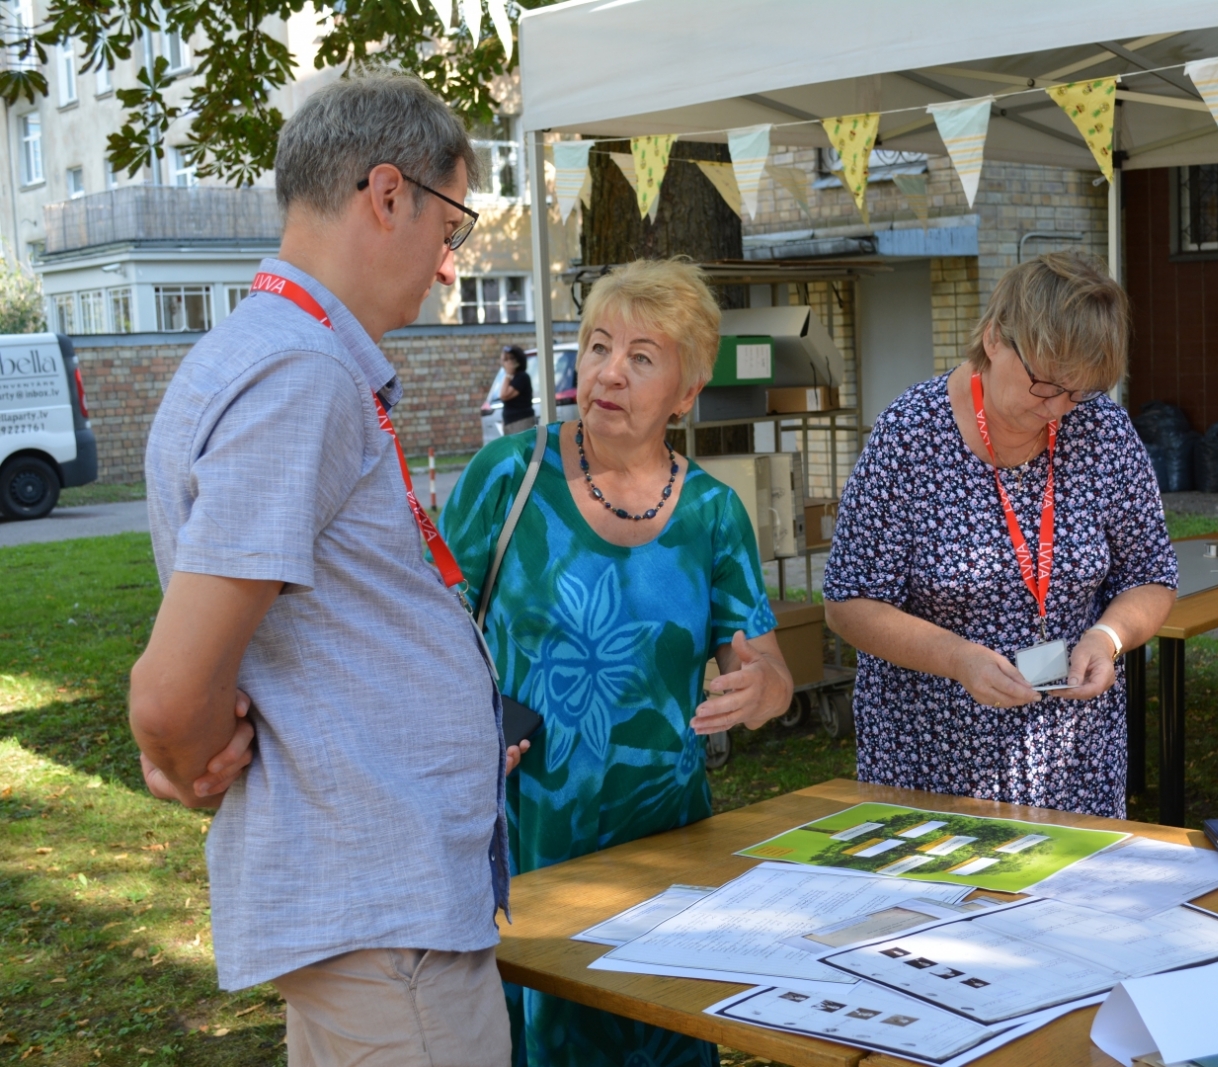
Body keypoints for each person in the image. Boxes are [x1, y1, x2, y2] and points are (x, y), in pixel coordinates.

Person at [129, 72, 528, 1066]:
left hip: (380, 907)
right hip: (382, 916)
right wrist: (182, 756)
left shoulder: (276, 355)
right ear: (386, 194)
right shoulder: (302, 375)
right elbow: (172, 689)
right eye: (452, 223)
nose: (448, 264)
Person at [440, 258, 795, 1067]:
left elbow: (766, 665)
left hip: (664, 843)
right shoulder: (509, 476)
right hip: (525, 828)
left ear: (686, 389)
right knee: (533, 1040)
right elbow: (426, 628)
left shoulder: (712, 513)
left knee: (659, 1038)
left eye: (642, 356)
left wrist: (762, 688)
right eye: (598, 345)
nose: (608, 372)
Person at [824, 253, 1178, 818]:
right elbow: (849, 602)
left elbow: (1152, 575)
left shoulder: (1103, 429)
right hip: (931, 760)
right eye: (1044, 384)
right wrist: (958, 658)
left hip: (1073, 761)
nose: (1059, 408)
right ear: (993, 339)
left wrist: (1108, 638)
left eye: (1078, 391)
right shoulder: (911, 434)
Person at [500, 344, 537, 435]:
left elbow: (504, 395)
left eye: (510, 359)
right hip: (510, 422)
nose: (507, 363)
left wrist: (508, 375)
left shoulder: (522, 377)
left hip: (521, 421)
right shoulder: (512, 378)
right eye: (505, 360)